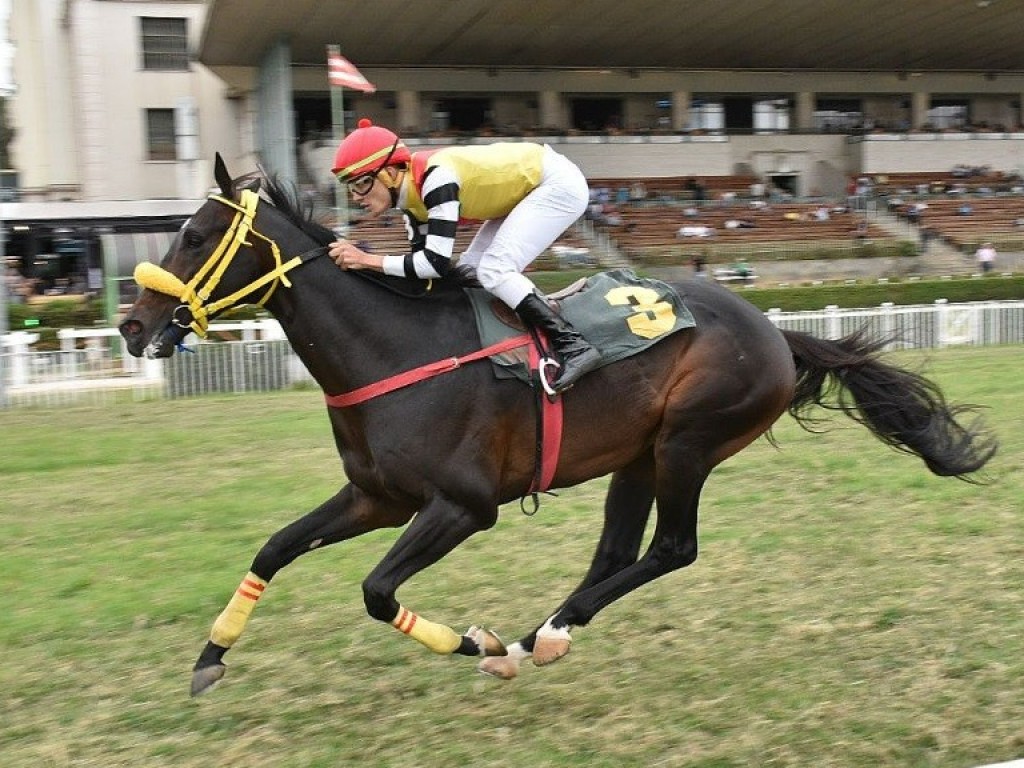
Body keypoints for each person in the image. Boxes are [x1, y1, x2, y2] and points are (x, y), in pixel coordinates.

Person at [328, 118, 601, 393]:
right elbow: (427, 278)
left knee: (494, 269)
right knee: (470, 270)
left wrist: (366, 260)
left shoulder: (436, 178)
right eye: (350, 187)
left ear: (390, 173)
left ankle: (574, 344)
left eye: (361, 183)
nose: (356, 197)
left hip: (556, 184)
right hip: (526, 190)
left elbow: (433, 263)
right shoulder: (411, 204)